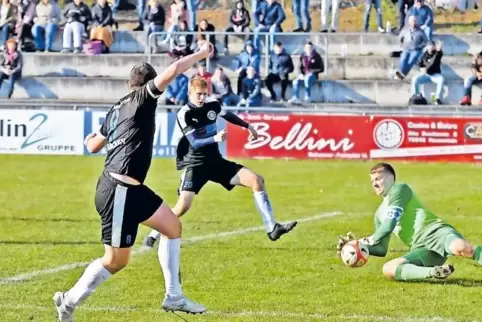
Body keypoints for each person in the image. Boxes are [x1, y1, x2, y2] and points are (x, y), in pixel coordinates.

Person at [52, 42, 213, 322]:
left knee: (172, 227)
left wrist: (93, 136)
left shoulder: (117, 108)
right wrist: (201, 54)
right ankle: (68, 302)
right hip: (118, 191)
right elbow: (174, 69)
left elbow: (92, 146)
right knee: (116, 261)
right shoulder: (143, 98)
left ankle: (173, 295)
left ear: (130, 83)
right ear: (146, 85)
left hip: (131, 189)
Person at [142, 76, 297, 248]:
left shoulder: (212, 105)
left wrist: (247, 126)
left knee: (256, 180)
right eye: (198, 94)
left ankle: (272, 228)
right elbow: (194, 142)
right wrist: (215, 138)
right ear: (190, 93)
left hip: (216, 162)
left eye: (204, 94)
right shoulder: (184, 113)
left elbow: (227, 114)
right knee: (182, 207)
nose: (202, 98)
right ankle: (153, 234)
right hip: (195, 164)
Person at [337, 163, 482, 282]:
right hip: (419, 248)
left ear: (391, 178)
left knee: (462, 248)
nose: (374, 184)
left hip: (434, 231)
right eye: (372, 181)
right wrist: (358, 246)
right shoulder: (378, 214)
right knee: (388, 268)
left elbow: (388, 226)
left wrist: (366, 239)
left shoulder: (399, 190)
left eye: (378, 179)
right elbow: (381, 249)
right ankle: (434, 272)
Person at [411, 40, 444, 105]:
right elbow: (418, 65)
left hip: (435, 75)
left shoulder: (437, 53)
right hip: (425, 75)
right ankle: (416, 96)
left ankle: (437, 98)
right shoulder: (423, 55)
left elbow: (439, 53)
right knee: (415, 79)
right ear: (427, 47)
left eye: (432, 46)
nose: (431, 48)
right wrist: (421, 69)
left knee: (441, 79)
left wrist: (439, 49)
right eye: (430, 46)